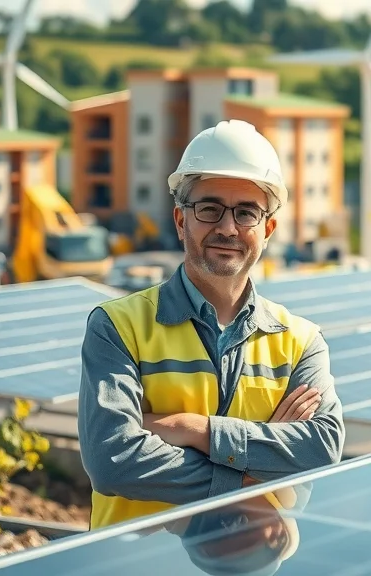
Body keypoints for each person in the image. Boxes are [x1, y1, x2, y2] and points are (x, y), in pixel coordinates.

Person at [77, 119, 345, 531]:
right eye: (209, 208)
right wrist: (253, 473)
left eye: (246, 212)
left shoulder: (301, 342)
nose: (227, 227)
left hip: (253, 566)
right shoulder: (118, 327)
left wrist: (193, 429)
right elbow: (113, 462)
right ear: (182, 220)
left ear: (268, 228)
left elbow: (321, 450)